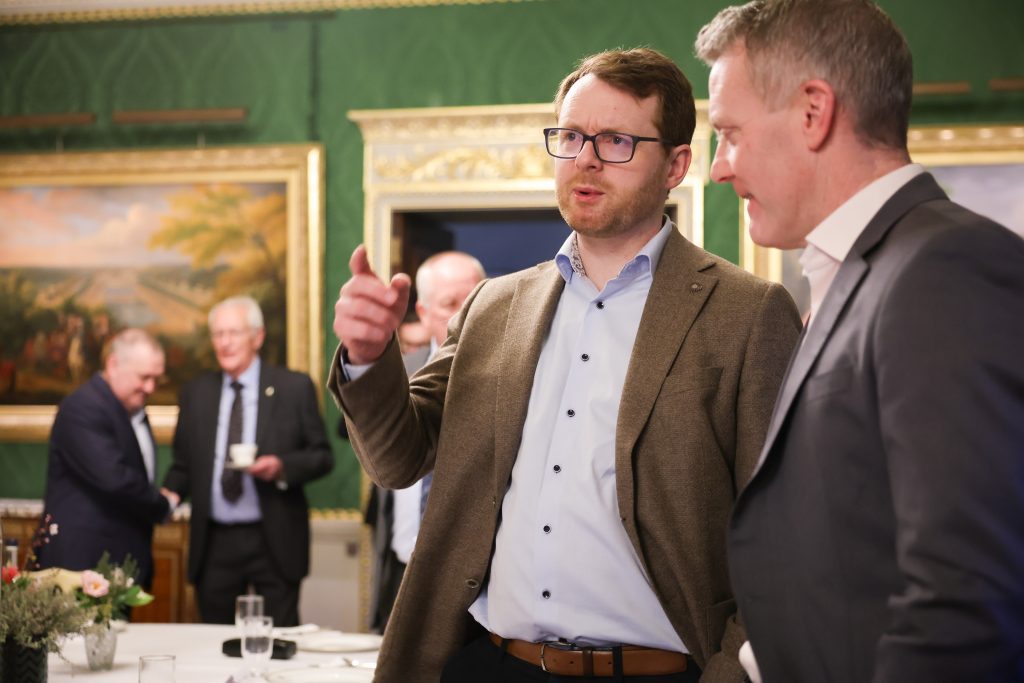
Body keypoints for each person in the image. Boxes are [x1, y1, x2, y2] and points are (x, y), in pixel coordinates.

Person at [330, 47, 801, 682]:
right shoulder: (493, 305)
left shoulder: (747, 314)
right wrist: (367, 357)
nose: (585, 159)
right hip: (491, 663)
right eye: (573, 136)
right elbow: (398, 458)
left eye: (616, 141)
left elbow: (781, 540)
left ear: (677, 164)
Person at [695, 2, 1024, 682]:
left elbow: (963, 601)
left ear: (814, 112)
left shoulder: (945, 268)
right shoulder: (862, 272)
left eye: (728, 133)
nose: (719, 168)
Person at [164, 295, 334, 627]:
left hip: (274, 538)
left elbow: (322, 456)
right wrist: (166, 496)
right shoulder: (196, 393)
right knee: (213, 642)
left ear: (257, 337)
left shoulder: (293, 387)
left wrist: (281, 467)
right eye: (218, 334)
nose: (224, 343)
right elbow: (183, 464)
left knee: (279, 640)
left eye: (234, 333)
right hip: (214, 541)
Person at [364, 251, 486, 633]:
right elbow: (361, 433)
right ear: (423, 310)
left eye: (476, 298)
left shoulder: (513, 376)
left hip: (473, 582)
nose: (466, 312)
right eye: (451, 303)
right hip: (399, 564)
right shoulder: (399, 369)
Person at [37, 328, 177, 589]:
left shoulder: (131, 408)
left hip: (119, 563)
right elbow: (115, 479)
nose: (151, 387)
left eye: (157, 379)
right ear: (113, 365)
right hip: (80, 564)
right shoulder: (82, 407)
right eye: (144, 377)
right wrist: (163, 505)